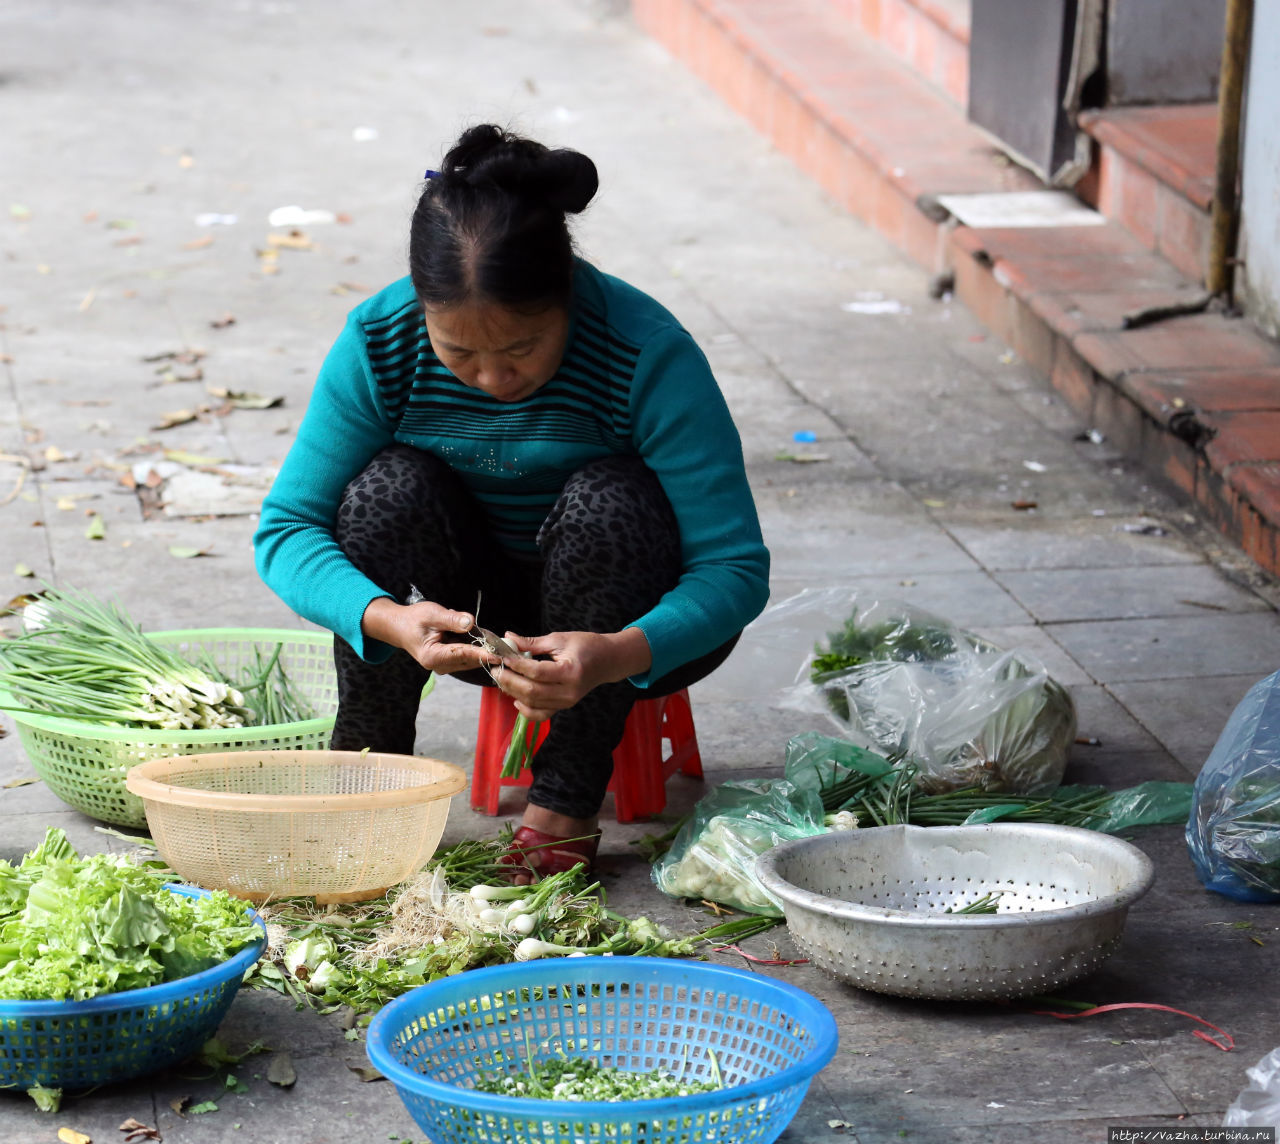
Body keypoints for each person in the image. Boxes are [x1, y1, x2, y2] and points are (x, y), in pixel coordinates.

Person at [253, 124, 770, 878]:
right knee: (385, 491)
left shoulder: (644, 349)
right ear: (422, 307)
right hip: (475, 622)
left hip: (623, 622)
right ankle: (365, 775)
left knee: (610, 498)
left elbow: (734, 569)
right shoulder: (380, 340)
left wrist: (616, 653)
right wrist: (392, 620)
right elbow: (286, 529)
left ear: (565, 298)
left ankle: (563, 808)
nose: (493, 378)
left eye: (522, 349)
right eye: (458, 352)